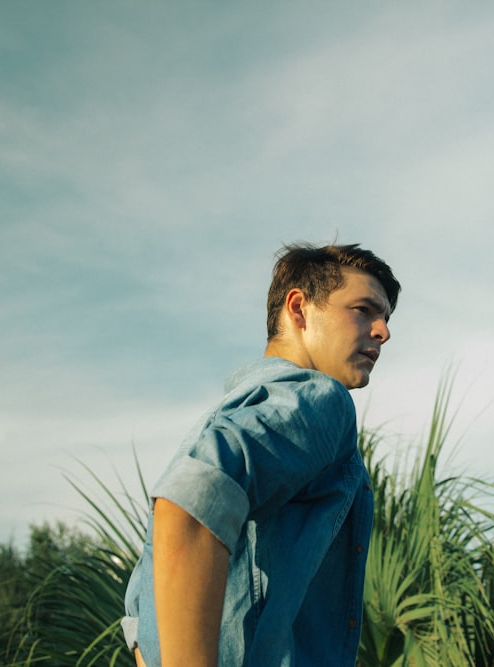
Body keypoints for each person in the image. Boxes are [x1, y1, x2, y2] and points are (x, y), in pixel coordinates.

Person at [122, 242, 401, 666]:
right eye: (364, 309)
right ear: (299, 309)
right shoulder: (323, 399)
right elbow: (188, 506)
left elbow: (140, 613)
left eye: (385, 317)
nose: (383, 331)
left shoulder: (221, 417)